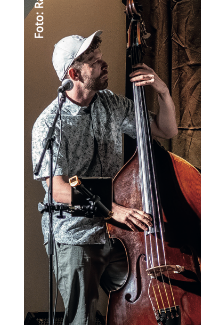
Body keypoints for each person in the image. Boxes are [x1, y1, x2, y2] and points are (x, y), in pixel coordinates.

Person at [31, 30, 177, 325]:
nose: (104, 64)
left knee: (145, 302)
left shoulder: (110, 103)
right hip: (74, 234)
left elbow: (165, 130)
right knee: (82, 320)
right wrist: (116, 210)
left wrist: (162, 91)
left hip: (115, 234)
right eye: (94, 63)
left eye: (100, 58)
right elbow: (58, 190)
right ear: (73, 73)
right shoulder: (50, 123)